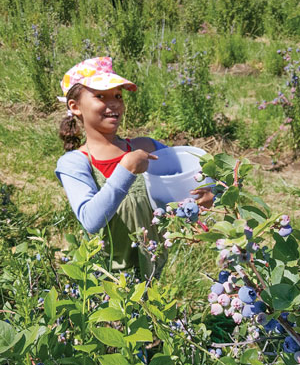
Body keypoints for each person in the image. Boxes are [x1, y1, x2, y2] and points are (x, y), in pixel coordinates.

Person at [55, 57, 214, 279]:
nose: (114, 103)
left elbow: (181, 185)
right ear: (75, 106)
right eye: (100, 96)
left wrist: (205, 195)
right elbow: (91, 220)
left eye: (118, 96)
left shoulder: (146, 147)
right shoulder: (75, 162)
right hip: (106, 278)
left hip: (152, 267)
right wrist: (126, 170)